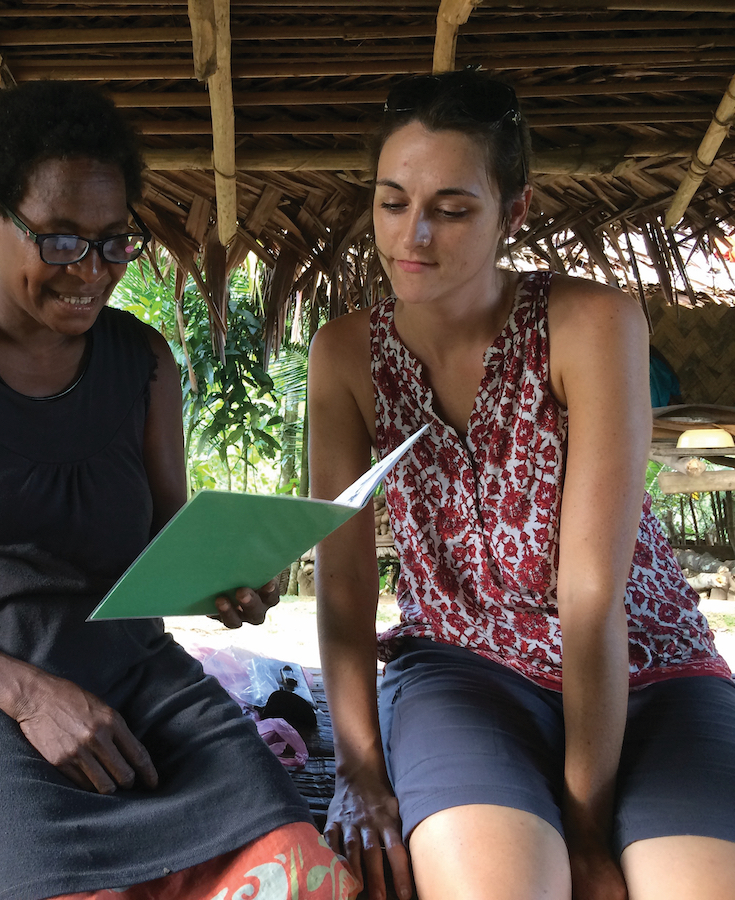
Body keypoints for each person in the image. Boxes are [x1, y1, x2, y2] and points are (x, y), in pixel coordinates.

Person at [0, 81, 353, 900]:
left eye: (114, 244)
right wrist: (27, 695)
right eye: (61, 241)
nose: (91, 272)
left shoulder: (142, 364)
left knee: (297, 871)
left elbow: (164, 530)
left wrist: (224, 575)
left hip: (135, 679)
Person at [307, 69, 735, 900]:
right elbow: (345, 581)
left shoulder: (590, 325)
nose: (414, 235)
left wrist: (588, 828)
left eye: (453, 209)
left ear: (517, 211)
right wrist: (360, 769)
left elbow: (590, 599)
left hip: (651, 668)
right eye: (393, 202)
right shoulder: (346, 356)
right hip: (462, 670)